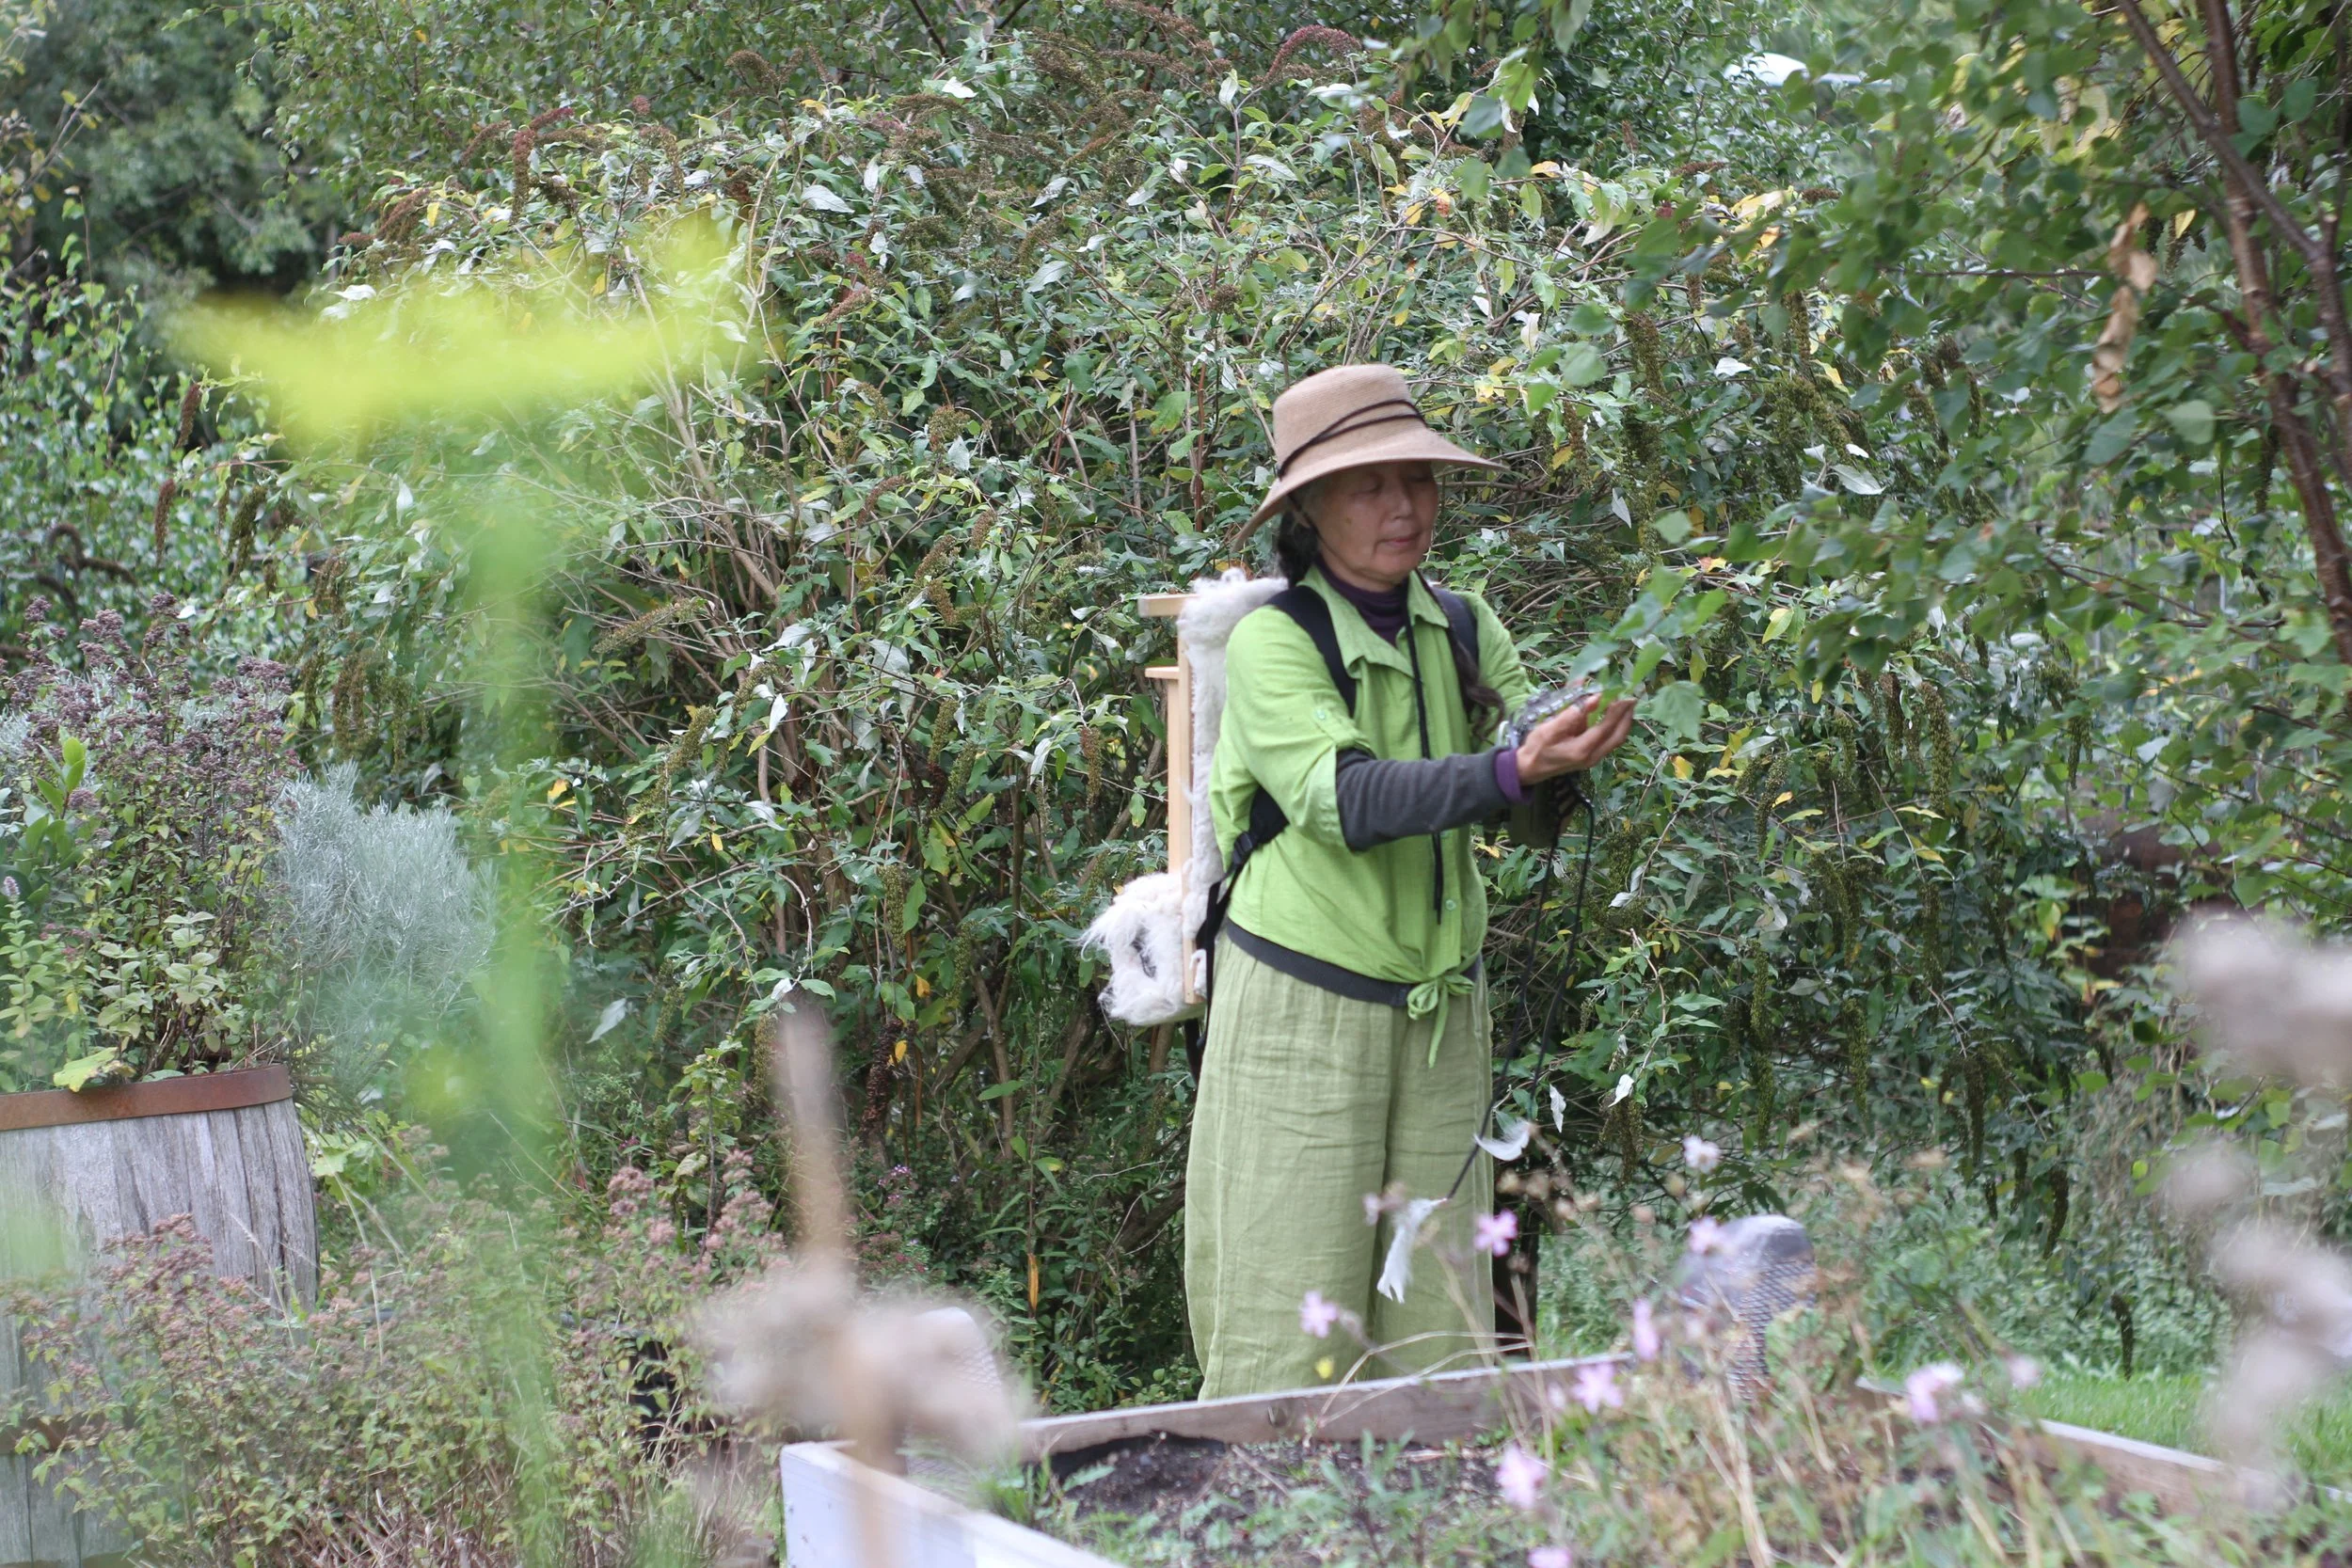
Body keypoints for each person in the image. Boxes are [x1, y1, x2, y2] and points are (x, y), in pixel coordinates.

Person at [1184, 363, 1636, 1398]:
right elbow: (1347, 802)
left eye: (1419, 480)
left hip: (1441, 1015)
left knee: (1441, 1321)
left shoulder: (1463, 623)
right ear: (1306, 506)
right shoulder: (1270, 640)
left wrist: (1567, 751)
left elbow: (1520, 802)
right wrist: (1516, 765)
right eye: (1369, 484)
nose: (1404, 506)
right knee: (1286, 1309)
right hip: (1301, 1005)